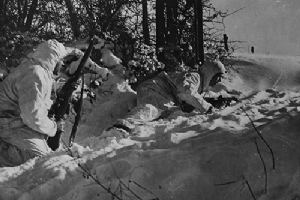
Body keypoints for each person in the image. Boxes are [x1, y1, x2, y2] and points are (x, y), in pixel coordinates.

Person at [0, 39, 110, 166]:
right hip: (9, 124)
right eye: (60, 60)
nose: (62, 63)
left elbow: (40, 98)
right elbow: (32, 116)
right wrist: (53, 127)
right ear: (53, 59)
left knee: (46, 154)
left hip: (15, 122)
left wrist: (65, 89)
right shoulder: (35, 75)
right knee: (36, 160)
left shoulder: (37, 70)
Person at [103, 59, 228, 137]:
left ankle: (128, 128)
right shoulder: (195, 77)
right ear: (210, 72)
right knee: (152, 109)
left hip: (161, 93)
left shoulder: (198, 83)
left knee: (161, 112)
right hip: (155, 89)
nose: (219, 81)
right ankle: (121, 126)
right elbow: (185, 92)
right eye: (218, 76)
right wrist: (206, 107)